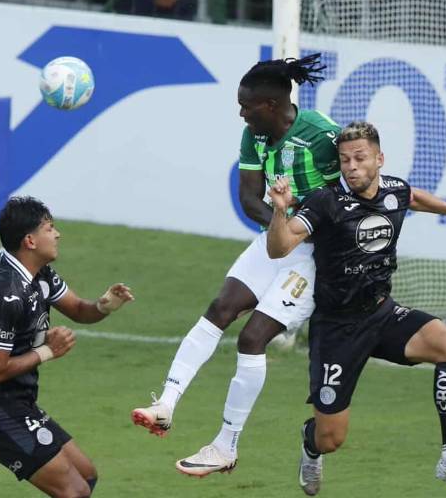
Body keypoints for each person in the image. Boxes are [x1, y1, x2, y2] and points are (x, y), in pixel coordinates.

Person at [131, 54, 341, 476]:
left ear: (270, 105)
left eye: (246, 105)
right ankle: (165, 405)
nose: (241, 113)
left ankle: (226, 446)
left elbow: (349, 196)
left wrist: (303, 228)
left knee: (252, 338)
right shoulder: (254, 136)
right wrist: (284, 224)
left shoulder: (322, 136)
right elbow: (249, 199)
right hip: (278, 241)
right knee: (219, 309)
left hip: (317, 260)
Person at [266, 122, 446, 495]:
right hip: (336, 329)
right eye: (344, 160)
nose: (351, 167)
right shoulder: (326, 201)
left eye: (359, 158)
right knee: (332, 439)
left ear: (379, 159)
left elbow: (412, 196)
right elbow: (279, 246)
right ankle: (310, 441)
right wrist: (278, 211)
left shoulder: (392, 190)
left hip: (382, 314)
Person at [0, 196, 134, 497]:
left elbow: (77, 309)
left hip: (16, 401)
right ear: (30, 241)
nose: (57, 234)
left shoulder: (37, 273)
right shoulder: (5, 293)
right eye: (50, 228)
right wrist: (49, 352)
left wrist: (104, 305)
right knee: (73, 492)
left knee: (86, 477)